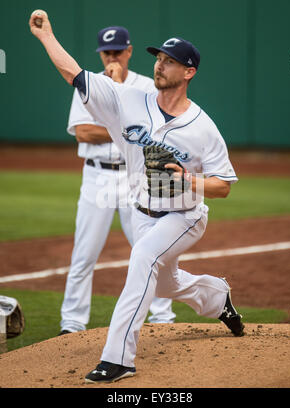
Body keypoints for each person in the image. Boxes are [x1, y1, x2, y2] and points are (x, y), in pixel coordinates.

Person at [29, 12, 245, 384]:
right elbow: (75, 75)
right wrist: (46, 36)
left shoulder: (203, 127)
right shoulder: (128, 100)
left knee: (142, 258)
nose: (160, 64)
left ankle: (119, 359)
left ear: (189, 72)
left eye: (170, 61)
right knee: (166, 282)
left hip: (185, 215)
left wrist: (188, 179)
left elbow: (224, 185)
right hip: (143, 212)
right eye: (158, 58)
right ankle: (217, 297)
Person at [59, 26, 176, 335]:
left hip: (134, 177)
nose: (112, 57)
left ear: (129, 51)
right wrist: (127, 128)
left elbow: (156, 133)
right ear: (100, 53)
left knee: (150, 250)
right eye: (106, 52)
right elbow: (82, 132)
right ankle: (71, 324)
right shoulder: (88, 84)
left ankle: (163, 318)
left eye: (117, 51)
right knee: (84, 254)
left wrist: (114, 122)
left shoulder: (148, 86)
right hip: (97, 176)